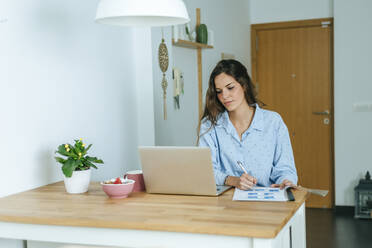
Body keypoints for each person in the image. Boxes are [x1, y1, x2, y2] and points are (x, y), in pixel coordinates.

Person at [197, 59, 298, 190]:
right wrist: (233, 180)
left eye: (230, 88)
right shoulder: (210, 125)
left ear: (244, 85)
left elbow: (285, 167)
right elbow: (206, 171)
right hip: (224, 202)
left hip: (266, 201)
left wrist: (286, 182)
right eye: (219, 91)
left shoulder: (273, 122)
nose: (224, 96)